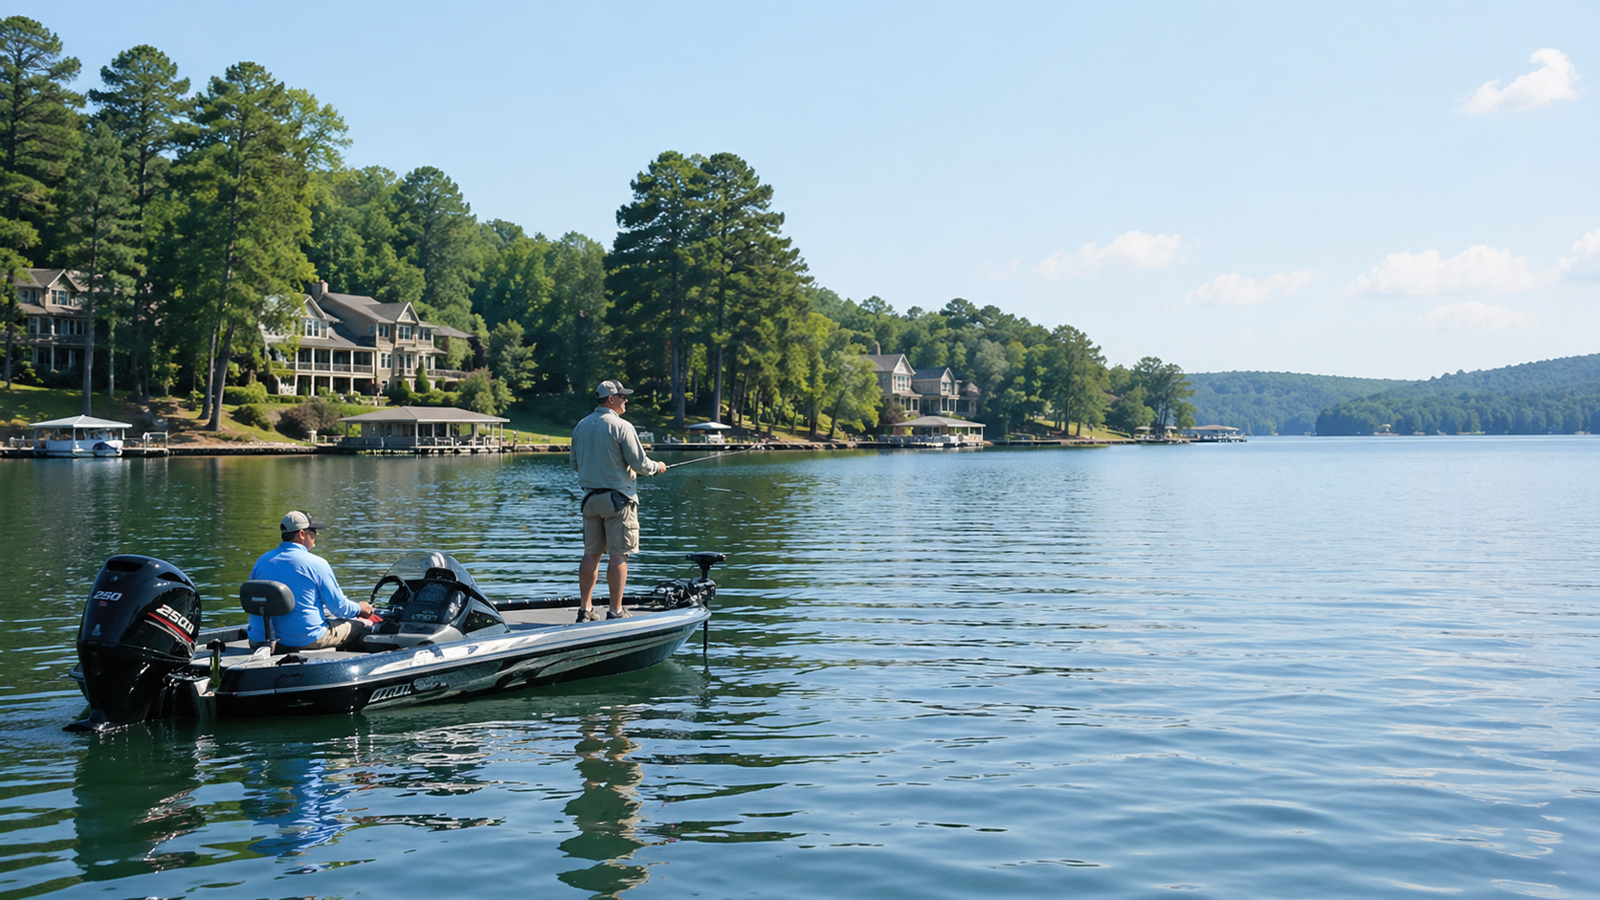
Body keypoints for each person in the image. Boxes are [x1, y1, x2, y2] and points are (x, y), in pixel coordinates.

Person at [572, 380, 664, 622]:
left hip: (590, 500)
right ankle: (615, 611)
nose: (626, 400)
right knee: (619, 555)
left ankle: (585, 609)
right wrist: (658, 467)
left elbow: (574, 464)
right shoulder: (622, 426)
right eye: (622, 396)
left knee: (591, 554)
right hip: (618, 501)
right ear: (610, 399)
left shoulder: (580, 426)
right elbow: (640, 464)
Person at [247, 510, 373, 651]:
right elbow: (340, 608)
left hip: (260, 640)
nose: (316, 535)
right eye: (313, 531)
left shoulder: (262, 561)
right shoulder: (317, 564)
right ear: (301, 534)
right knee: (361, 625)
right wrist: (360, 609)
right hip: (305, 640)